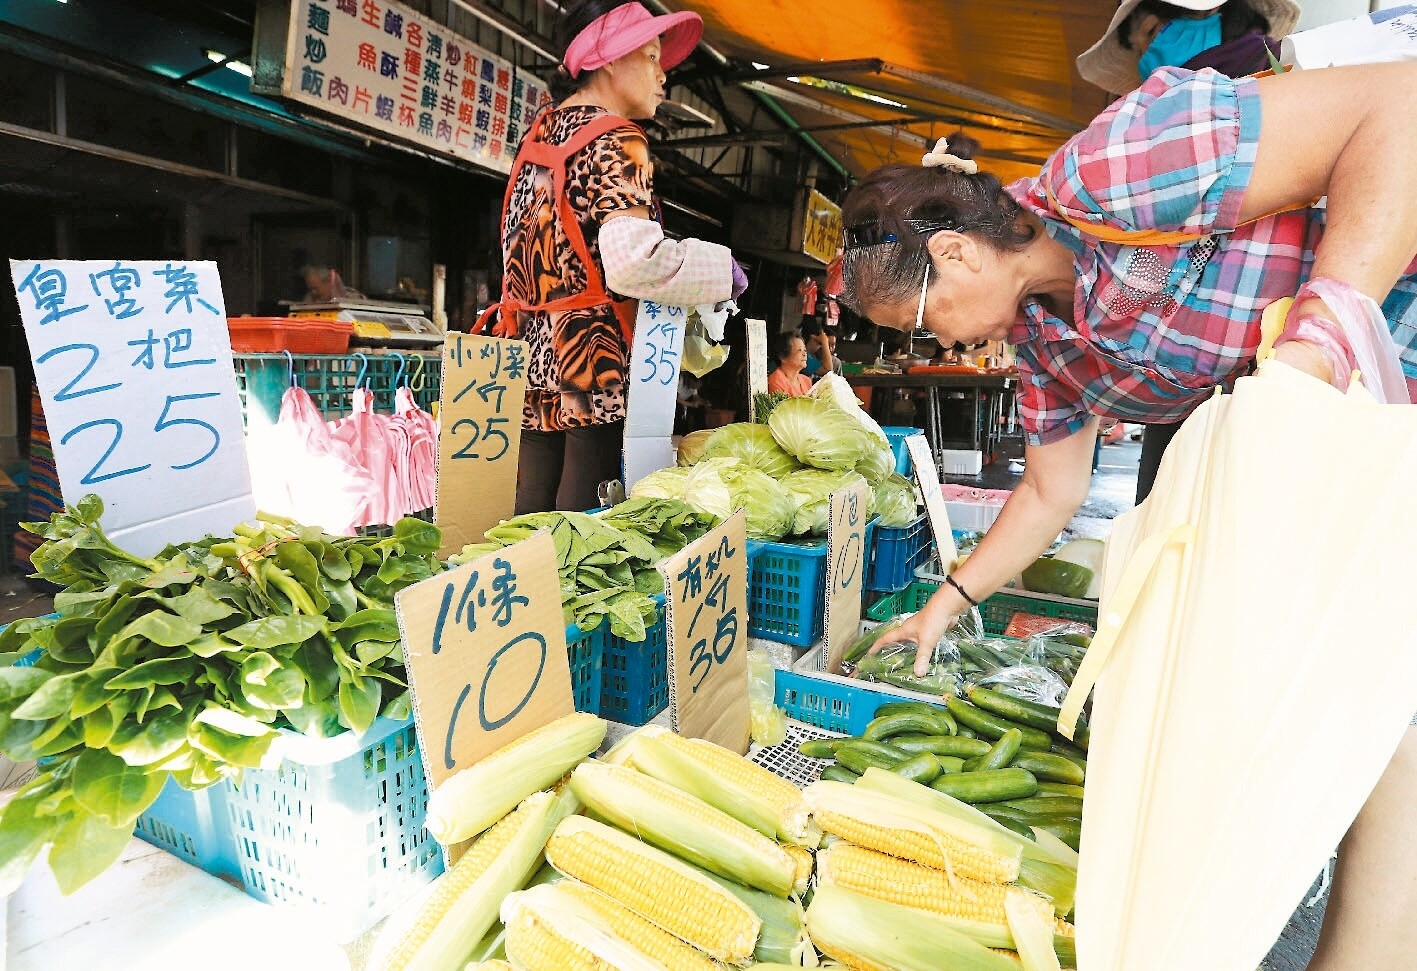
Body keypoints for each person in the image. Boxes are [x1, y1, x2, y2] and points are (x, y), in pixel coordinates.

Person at [840, 63, 1417, 969]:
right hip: (1319, 445)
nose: (935, 344)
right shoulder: (1043, 342)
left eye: (919, 319)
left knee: (1388, 721)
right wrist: (944, 603)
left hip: (1382, 391)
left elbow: (1400, 104)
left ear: (954, 251)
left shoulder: (1110, 169)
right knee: (1340, 705)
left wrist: (1318, 339)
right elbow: (1049, 492)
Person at [478, 0, 747, 513]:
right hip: (594, 356)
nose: (663, 75)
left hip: (532, 348)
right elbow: (633, 262)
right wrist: (718, 270)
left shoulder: (538, 136)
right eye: (650, 57)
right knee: (585, 519)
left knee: (530, 503)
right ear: (607, 59)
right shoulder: (618, 138)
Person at [1078, 0, 1301, 502]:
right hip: (1222, 368)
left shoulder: (1281, 85)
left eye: (1153, 32)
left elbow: (1157, 251)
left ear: (1217, 16)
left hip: (1255, 362)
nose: (1147, 56)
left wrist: (1116, 314)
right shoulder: (1188, 108)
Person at [1077, 0, 1299, 97]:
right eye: (1140, 52)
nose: (1148, 55)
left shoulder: (1281, 66)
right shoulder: (1167, 118)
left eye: (1152, 32)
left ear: (1208, 11)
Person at [767, 332, 812, 396]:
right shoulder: (776, 382)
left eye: (805, 350)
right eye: (799, 350)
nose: (804, 354)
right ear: (782, 357)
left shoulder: (807, 381)